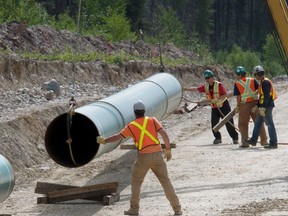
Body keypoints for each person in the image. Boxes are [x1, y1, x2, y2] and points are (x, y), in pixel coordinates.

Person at [96, 100, 182, 216]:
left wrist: (104, 140)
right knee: (166, 182)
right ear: (144, 111)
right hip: (158, 155)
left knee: (136, 182)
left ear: (135, 112)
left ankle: (134, 209)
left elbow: (117, 137)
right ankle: (177, 209)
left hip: (144, 157)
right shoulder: (153, 120)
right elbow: (165, 134)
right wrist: (168, 149)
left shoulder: (131, 126)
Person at [183, 69, 239, 144]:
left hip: (223, 106)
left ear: (212, 77)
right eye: (206, 78)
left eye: (209, 78)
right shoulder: (205, 87)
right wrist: (185, 89)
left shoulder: (219, 85)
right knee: (214, 123)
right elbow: (196, 89)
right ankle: (218, 138)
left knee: (228, 122)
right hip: (215, 108)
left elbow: (225, 95)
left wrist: (217, 99)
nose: (208, 80)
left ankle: (235, 138)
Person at [233, 66, 268, 148]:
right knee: (259, 122)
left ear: (238, 75)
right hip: (255, 103)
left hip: (244, 105)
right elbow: (259, 89)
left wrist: (238, 106)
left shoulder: (237, 83)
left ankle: (245, 143)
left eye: (237, 74)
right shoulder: (252, 80)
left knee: (243, 124)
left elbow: (238, 97)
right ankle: (264, 141)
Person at [247, 65, 278, 149]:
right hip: (264, 106)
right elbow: (262, 97)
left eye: (255, 75)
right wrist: (257, 106)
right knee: (257, 123)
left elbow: (267, 96)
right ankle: (253, 140)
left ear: (257, 74)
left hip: (266, 107)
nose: (255, 77)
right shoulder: (263, 82)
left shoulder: (265, 82)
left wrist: (263, 107)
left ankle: (273, 143)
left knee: (269, 124)